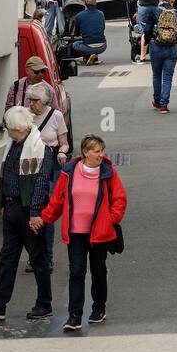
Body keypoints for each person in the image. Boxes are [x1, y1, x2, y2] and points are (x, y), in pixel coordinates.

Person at [0, 106, 55, 321]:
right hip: (11, 210)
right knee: (7, 259)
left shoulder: (41, 150)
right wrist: (2, 202)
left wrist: (36, 213)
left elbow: (41, 184)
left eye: (8, 127)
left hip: (29, 211)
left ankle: (44, 305)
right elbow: (6, 176)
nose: (7, 131)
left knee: (38, 259)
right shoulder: (14, 145)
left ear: (17, 128)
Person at [37, 134, 128, 332]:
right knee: (76, 272)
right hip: (75, 232)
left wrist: (110, 220)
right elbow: (58, 199)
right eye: (97, 151)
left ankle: (98, 308)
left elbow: (120, 199)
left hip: (99, 233)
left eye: (102, 151)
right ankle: (75, 315)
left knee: (98, 271)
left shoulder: (108, 172)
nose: (101, 155)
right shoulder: (69, 171)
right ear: (85, 152)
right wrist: (44, 218)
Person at [26, 81, 69, 266]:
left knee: (47, 212)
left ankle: (48, 257)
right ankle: (34, 256)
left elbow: (64, 142)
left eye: (35, 100)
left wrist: (61, 151)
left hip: (51, 167)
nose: (31, 104)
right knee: (30, 212)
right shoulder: (25, 117)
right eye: (30, 100)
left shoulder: (56, 115)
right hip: (29, 167)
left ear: (44, 101)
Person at [145, 0, 177, 112]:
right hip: (172, 48)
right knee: (167, 77)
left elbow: (147, 30)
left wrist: (147, 43)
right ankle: (164, 104)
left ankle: (157, 102)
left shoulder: (154, 11)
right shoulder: (176, 13)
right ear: (172, 0)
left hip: (156, 46)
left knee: (157, 75)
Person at [71, 0, 107, 64]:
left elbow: (76, 33)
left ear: (85, 4)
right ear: (95, 4)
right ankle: (94, 57)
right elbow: (103, 28)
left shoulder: (79, 16)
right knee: (92, 39)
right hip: (103, 46)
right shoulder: (101, 14)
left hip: (88, 47)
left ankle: (87, 57)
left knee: (75, 44)